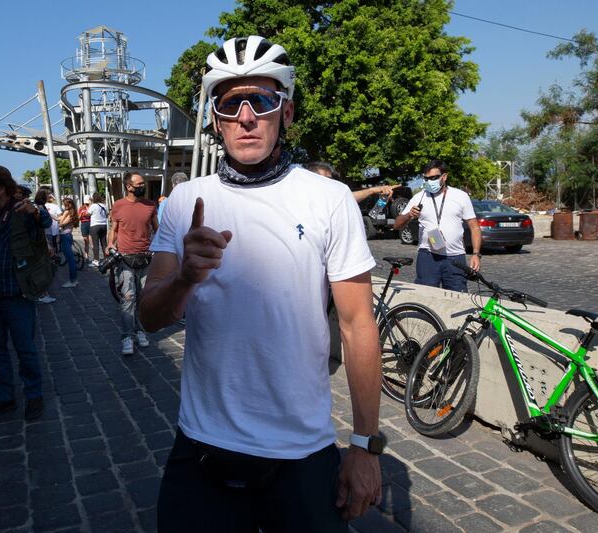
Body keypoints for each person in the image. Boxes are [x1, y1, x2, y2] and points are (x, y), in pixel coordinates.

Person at [140, 36, 382, 531]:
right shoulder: (185, 201)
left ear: (286, 113)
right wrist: (186, 276)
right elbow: (149, 316)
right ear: (215, 119)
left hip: (302, 451)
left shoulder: (330, 199)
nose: (247, 116)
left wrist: (363, 446)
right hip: (203, 445)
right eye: (231, 103)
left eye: (263, 100)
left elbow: (359, 326)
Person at [0, 165, 53, 421]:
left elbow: (47, 222)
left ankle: (34, 396)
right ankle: (4, 397)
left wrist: (37, 211)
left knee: (25, 348)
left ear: (3, 188)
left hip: (17, 292)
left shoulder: (22, 211)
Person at [393, 159, 481, 292]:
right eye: (426, 178)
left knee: (456, 298)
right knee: (426, 298)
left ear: (444, 177)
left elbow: (474, 227)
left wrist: (476, 254)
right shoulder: (419, 197)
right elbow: (397, 225)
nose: (429, 182)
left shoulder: (460, 196)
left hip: (455, 257)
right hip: (428, 256)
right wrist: (409, 215)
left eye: (433, 178)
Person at [108, 172, 158, 355]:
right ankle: (127, 336)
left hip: (145, 258)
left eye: (143, 183)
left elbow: (157, 229)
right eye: (139, 184)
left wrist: (159, 249)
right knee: (128, 298)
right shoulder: (118, 205)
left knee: (143, 299)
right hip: (125, 258)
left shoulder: (151, 205)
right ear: (129, 186)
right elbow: (113, 229)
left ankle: (140, 331)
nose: (142, 186)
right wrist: (110, 245)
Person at [306, 161, 399, 203]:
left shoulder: (334, 203)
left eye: (330, 180)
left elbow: (348, 197)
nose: (328, 184)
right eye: (322, 179)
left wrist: (375, 191)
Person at [57, 197, 80, 288]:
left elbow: (61, 223)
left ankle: (73, 280)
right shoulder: (69, 213)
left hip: (66, 236)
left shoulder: (70, 214)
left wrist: (64, 214)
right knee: (69, 258)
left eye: (64, 204)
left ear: (68, 205)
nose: (63, 206)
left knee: (70, 260)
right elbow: (58, 218)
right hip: (65, 236)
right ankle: (73, 280)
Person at [87, 192, 108, 267]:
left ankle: (96, 260)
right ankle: (106, 259)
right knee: (104, 243)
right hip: (104, 225)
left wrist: (89, 205)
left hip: (95, 226)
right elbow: (107, 215)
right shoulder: (104, 206)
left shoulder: (93, 206)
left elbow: (87, 214)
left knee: (95, 244)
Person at [79, 195, 92, 260]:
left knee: (91, 240)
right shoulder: (81, 208)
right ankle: (86, 255)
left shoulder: (91, 207)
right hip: (84, 223)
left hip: (91, 223)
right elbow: (78, 218)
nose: (86, 203)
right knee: (85, 240)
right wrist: (81, 214)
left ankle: (95, 256)